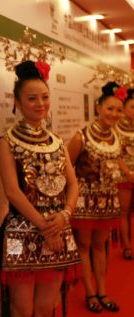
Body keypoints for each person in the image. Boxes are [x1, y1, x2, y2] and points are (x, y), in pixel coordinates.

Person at [0, 60, 81, 317]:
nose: (40, 104)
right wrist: (44, 226)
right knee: (22, 308)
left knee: (45, 306)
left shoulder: (58, 142)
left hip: (57, 229)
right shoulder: (7, 142)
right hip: (24, 230)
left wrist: (64, 216)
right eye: (32, 98)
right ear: (17, 102)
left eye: (45, 97)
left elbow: (73, 184)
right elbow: (12, 192)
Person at [68, 81, 125, 312]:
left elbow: (117, 163)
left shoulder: (116, 137)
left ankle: (102, 290)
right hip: (84, 201)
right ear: (98, 108)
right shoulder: (81, 137)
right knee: (84, 245)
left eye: (118, 110)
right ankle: (90, 293)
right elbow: (67, 168)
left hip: (108, 199)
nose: (114, 114)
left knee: (101, 245)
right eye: (110, 108)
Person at [115, 88, 134, 260]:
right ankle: (127, 246)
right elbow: (115, 154)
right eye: (132, 107)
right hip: (124, 176)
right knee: (124, 212)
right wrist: (127, 172)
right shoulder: (116, 129)